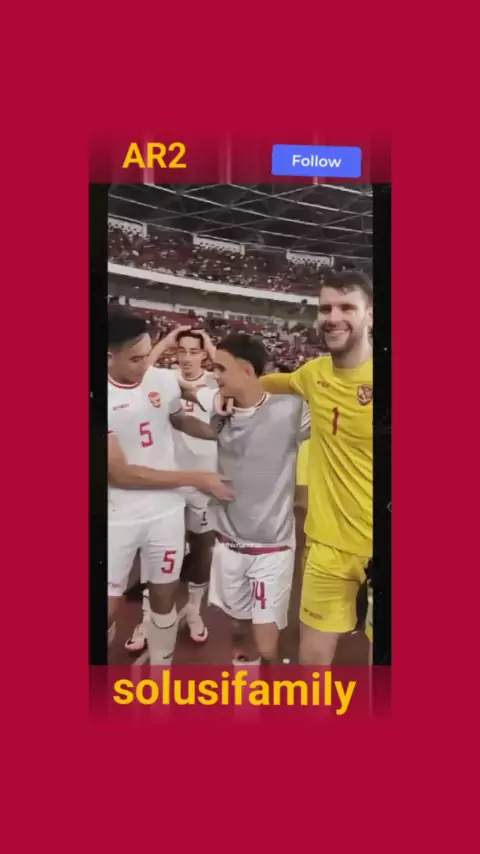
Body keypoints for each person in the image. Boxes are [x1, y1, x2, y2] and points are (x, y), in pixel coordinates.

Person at [170, 333, 309, 665]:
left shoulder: (291, 410)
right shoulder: (222, 408)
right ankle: (246, 684)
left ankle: (269, 683)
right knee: (237, 629)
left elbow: (339, 416)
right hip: (228, 545)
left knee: (265, 641)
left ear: (246, 370)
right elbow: (193, 404)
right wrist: (172, 415)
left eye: (220, 368)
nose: (213, 374)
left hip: (271, 549)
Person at [259, 270, 373, 665]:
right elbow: (273, 383)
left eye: (347, 308)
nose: (333, 317)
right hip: (326, 545)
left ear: (370, 315)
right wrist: (227, 390)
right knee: (312, 661)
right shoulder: (314, 373)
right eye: (326, 309)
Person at [107, 308, 233, 664]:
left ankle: (161, 672)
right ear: (109, 356)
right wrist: (196, 478)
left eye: (148, 354)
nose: (145, 365)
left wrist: (217, 434)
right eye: (136, 359)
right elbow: (120, 474)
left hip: (166, 512)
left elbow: (177, 418)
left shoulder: (161, 379)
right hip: (118, 514)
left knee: (164, 596)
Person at [128, 328, 219, 649]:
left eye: (195, 351)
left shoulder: (215, 382)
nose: (187, 358)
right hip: (167, 481)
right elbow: (139, 370)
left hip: (204, 481)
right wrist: (165, 342)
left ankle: (194, 609)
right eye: (182, 351)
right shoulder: (165, 379)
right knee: (154, 551)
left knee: (202, 548)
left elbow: (237, 379)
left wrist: (211, 347)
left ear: (204, 354)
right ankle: (147, 617)